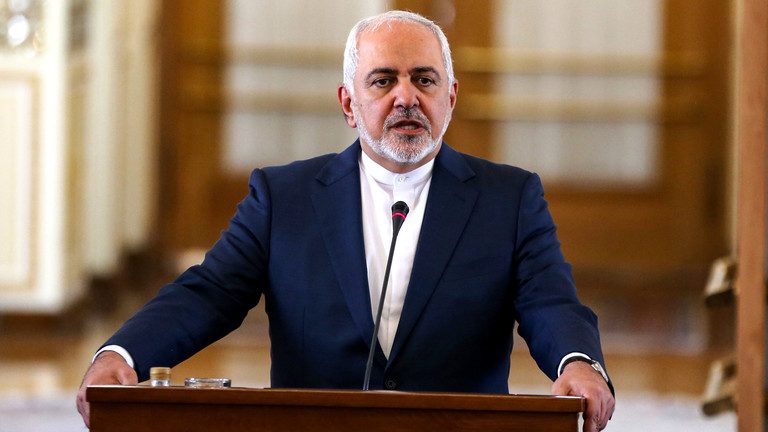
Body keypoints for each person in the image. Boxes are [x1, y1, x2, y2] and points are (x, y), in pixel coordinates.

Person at [77, 10, 615, 432]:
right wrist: (122, 353)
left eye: (424, 79)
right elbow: (210, 292)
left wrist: (578, 362)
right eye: (383, 81)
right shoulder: (282, 197)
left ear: (450, 98)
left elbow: (550, 302)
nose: (406, 97)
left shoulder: (510, 198)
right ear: (348, 103)